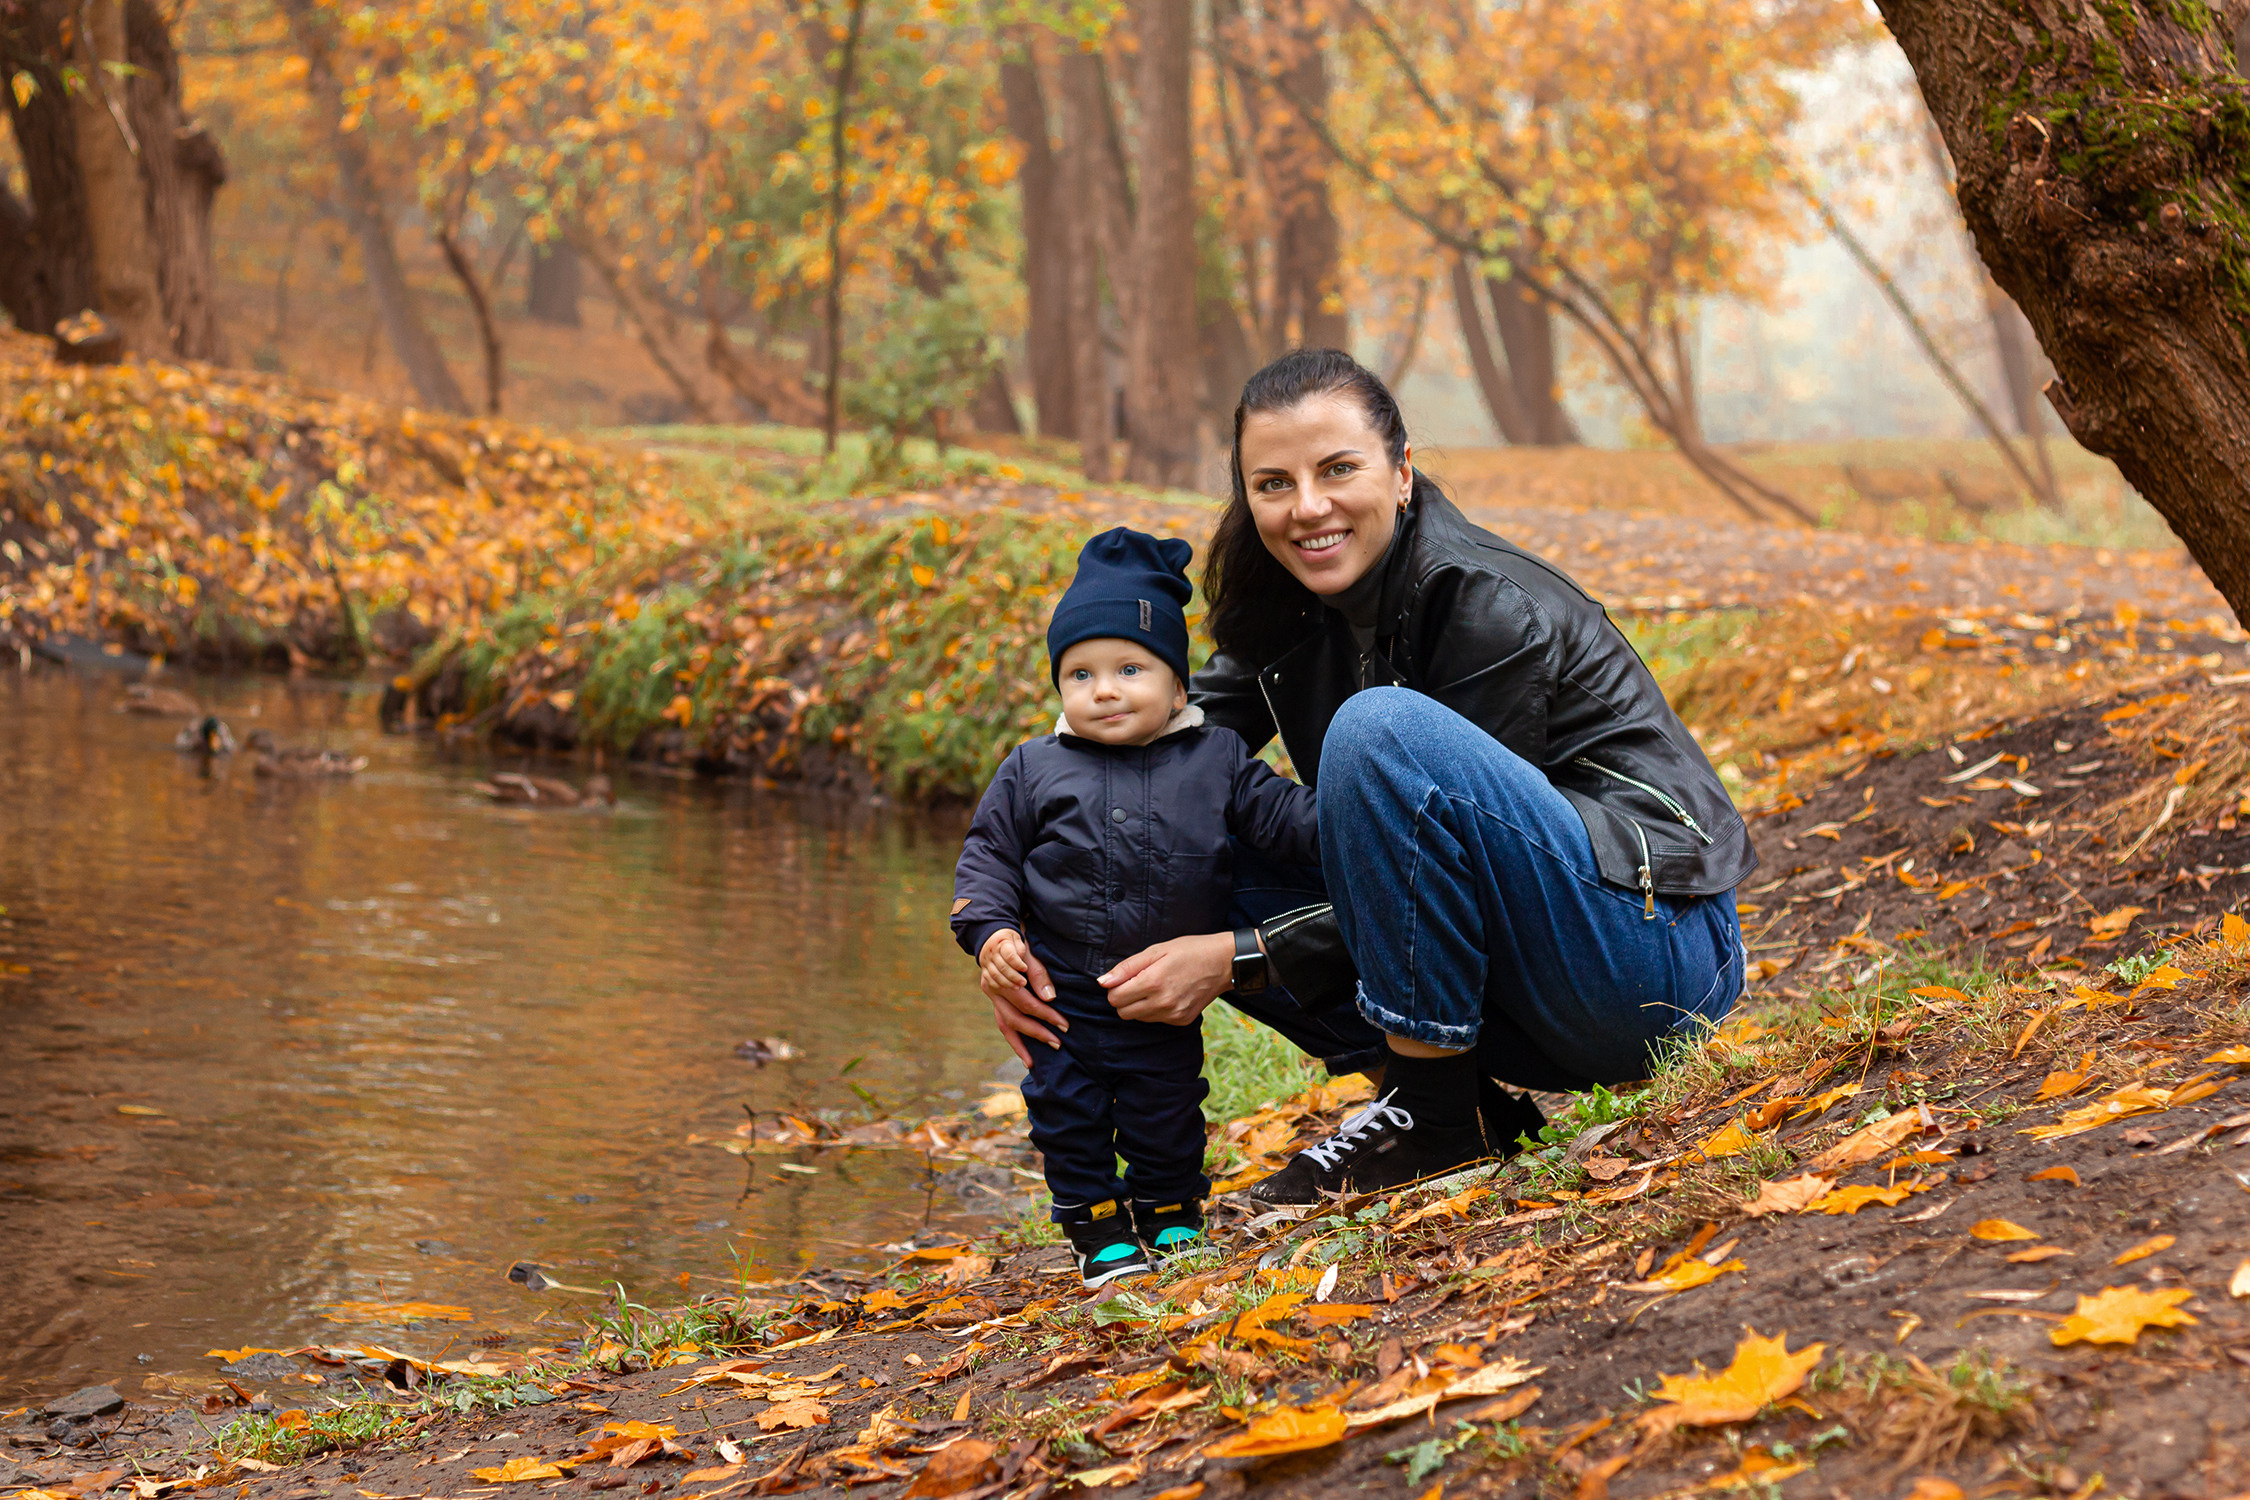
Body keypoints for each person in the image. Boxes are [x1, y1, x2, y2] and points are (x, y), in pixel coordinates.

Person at [981, 349, 1753, 1205]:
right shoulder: (1281, 598)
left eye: (1338, 469)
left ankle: (1432, 1118)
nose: (1308, 507)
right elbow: (1147, 771)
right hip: (1523, 997)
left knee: (1377, 728)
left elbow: (1475, 868)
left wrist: (1240, 955)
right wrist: (1010, 937)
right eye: (1273, 483)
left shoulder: (1484, 601)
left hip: (1642, 961)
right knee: (1166, 830)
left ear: (1402, 472)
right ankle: (1451, 1103)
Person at [951, 527, 1321, 1284]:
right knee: (1068, 1120)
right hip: (1062, 1002)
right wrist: (990, 933)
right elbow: (987, 858)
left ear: (1179, 687)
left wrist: (1354, 815)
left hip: (1162, 999)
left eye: (1129, 668)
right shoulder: (1033, 769)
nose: (1105, 689)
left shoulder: (1216, 760)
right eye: (1080, 674)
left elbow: (1291, 824)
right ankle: (1098, 1236)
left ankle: (1173, 1216)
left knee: (1167, 1116)